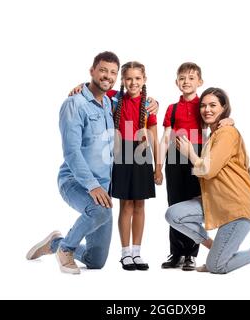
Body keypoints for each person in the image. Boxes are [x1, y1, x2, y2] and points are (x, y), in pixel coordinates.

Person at [165, 87, 250, 274]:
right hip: (217, 203)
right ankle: (216, 251)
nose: (207, 109)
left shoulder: (227, 133)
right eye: (203, 106)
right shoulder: (214, 135)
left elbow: (208, 169)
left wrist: (190, 153)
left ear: (224, 108)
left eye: (213, 105)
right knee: (173, 214)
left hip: (236, 208)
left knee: (216, 267)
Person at [26, 51, 120, 274]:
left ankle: (56, 242)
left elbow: (136, 99)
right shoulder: (74, 104)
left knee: (96, 261)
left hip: (103, 187)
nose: (108, 76)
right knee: (101, 212)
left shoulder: (108, 103)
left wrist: (152, 102)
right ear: (92, 71)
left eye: (113, 72)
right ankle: (66, 250)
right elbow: (71, 151)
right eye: (103, 70)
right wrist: (92, 185)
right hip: (75, 180)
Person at [159, 63, 233, 271]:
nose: (186, 82)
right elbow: (165, 139)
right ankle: (176, 253)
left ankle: (191, 254)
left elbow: (219, 119)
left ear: (200, 82)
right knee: (174, 204)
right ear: (176, 83)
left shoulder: (203, 105)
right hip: (174, 160)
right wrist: (158, 166)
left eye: (191, 78)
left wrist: (230, 120)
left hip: (196, 157)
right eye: (182, 78)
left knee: (194, 206)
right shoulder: (172, 108)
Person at [112, 61, 162, 271]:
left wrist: (158, 167)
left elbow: (154, 136)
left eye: (138, 78)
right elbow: (92, 88)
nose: (133, 82)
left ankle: (137, 252)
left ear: (144, 80)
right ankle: (125, 254)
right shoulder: (114, 98)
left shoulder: (149, 105)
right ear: (123, 80)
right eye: (129, 78)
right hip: (122, 153)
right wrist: (78, 87)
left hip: (142, 154)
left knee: (140, 205)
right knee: (126, 205)